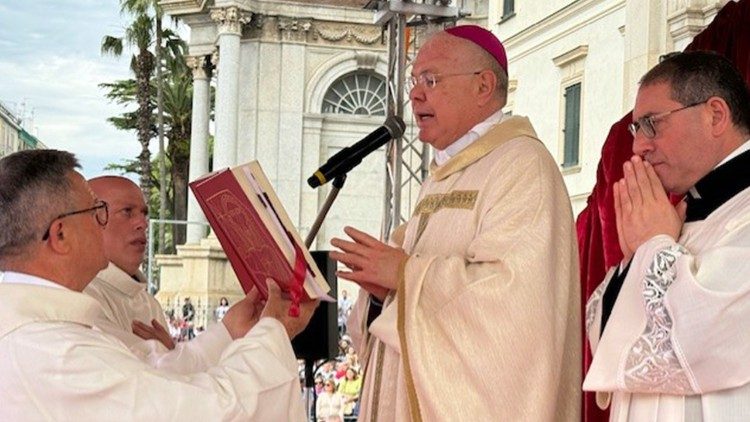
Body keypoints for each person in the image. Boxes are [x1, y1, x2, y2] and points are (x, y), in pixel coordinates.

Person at [330, 25, 580, 421]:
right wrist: (380, 294)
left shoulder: (522, 167)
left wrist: (406, 277)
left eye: (431, 79)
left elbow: (514, 308)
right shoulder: (441, 176)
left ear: (483, 86)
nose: (414, 93)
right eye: (414, 80)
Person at [0, 149, 318, 419]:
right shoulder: (54, 352)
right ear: (60, 235)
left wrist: (229, 332)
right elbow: (210, 412)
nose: (103, 223)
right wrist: (273, 332)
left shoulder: (43, 329)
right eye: (97, 211)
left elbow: (151, 379)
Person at [583, 51, 750, 420]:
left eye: (652, 124)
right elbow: (609, 342)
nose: (639, 145)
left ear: (716, 115)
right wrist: (635, 261)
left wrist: (654, 249)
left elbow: (701, 343)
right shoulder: (675, 216)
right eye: (636, 129)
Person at [84, 175, 240, 374]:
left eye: (144, 214)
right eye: (127, 212)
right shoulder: (82, 296)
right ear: (91, 221)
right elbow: (136, 379)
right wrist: (172, 354)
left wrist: (172, 352)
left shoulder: (149, 303)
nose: (142, 223)